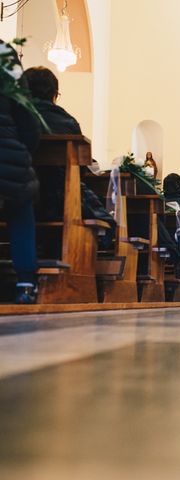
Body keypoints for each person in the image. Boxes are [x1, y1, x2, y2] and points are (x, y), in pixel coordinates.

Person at [24, 66, 116, 249]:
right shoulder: (67, 122)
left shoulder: (14, 117)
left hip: (17, 198)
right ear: (54, 95)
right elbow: (79, 172)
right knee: (102, 217)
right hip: (56, 202)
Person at [0, 41, 42, 303]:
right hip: (6, 150)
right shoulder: (4, 55)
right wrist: (24, 149)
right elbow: (27, 115)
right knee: (21, 203)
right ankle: (25, 282)